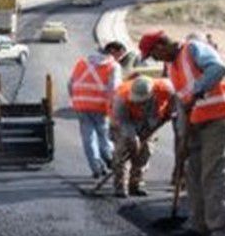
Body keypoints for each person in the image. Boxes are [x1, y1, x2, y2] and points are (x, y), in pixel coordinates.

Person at [140, 30, 225, 236]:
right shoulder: (172, 66)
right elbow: (182, 103)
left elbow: (218, 69)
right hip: (196, 123)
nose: (155, 59)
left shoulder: (194, 49)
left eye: (153, 54)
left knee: (215, 174)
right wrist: (182, 140)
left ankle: (223, 232)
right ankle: (199, 225)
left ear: (161, 45)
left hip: (221, 118)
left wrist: (197, 90)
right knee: (193, 173)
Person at [109, 76, 175, 198]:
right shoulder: (121, 97)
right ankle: (120, 186)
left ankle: (136, 184)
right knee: (123, 152)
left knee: (145, 152)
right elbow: (122, 122)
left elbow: (177, 100)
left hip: (149, 122)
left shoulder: (166, 88)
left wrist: (173, 112)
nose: (139, 103)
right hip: (125, 123)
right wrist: (133, 138)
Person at [68, 48, 121, 178]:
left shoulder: (81, 63)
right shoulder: (113, 66)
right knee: (103, 135)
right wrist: (114, 109)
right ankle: (109, 159)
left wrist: (75, 99)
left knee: (88, 137)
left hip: (81, 105)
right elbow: (114, 88)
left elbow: (70, 84)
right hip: (100, 106)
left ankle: (96, 168)